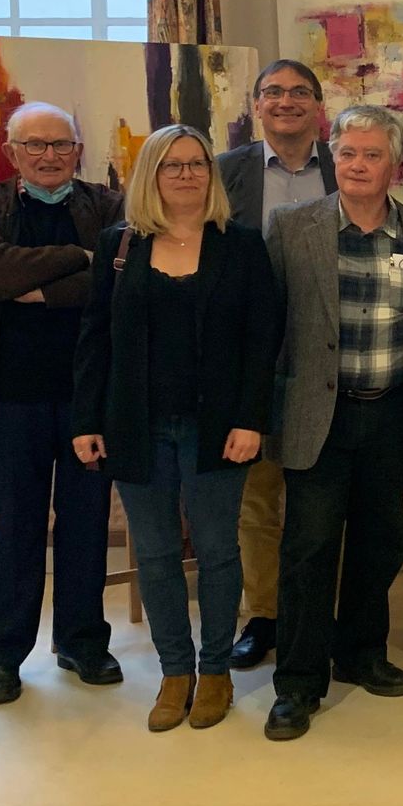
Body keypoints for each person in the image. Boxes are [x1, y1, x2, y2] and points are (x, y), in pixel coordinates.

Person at [73, 125, 281, 733]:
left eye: (197, 164)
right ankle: (174, 673)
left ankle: (214, 671)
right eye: (172, 165)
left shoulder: (241, 245)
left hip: (217, 427)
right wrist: (85, 421)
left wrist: (251, 420)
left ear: (211, 175)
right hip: (135, 426)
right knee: (158, 553)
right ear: (151, 175)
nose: (187, 174)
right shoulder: (120, 245)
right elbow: (95, 340)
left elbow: (261, 341)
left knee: (217, 551)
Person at [261, 107, 403, 741]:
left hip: (391, 411)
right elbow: (269, 324)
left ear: (395, 165)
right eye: (347, 153)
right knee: (308, 549)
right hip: (319, 415)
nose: (357, 165)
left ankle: (362, 653)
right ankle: (297, 683)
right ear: (331, 158)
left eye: (371, 155)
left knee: (380, 541)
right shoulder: (292, 227)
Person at [0, 101, 125, 707]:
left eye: (61, 145)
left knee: (86, 524)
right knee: (14, 527)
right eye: (35, 145)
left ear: (78, 151)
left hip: (88, 399)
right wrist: (79, 258)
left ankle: (82, 641)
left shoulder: (109, 206)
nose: (49, 156)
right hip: (6, 397)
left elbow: (120, 279)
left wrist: (37, 290)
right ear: (11, 152)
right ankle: (1, 656)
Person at [216, 59, 334, 673]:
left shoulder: (347, 165)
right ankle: (262, 615)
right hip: (248, 359)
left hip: (325, 357)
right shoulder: (223, 171)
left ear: (318, 105)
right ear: (256, 104)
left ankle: (320, 613)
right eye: (273, 92)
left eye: (299, 92)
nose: (286, 101)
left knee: (322, 499)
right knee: (256, 499)